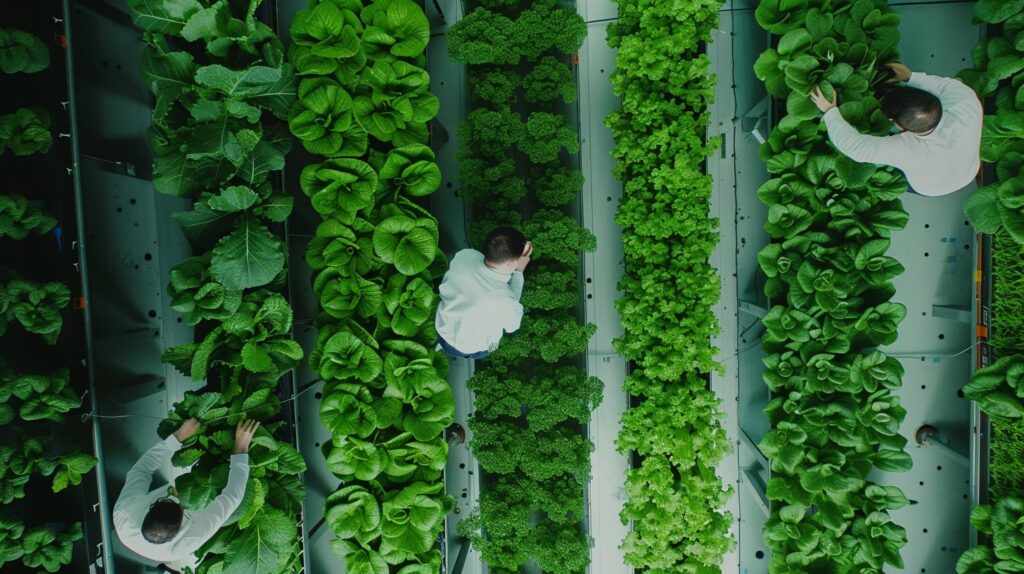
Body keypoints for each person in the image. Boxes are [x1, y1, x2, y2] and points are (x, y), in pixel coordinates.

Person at [809, 62, 982, 197]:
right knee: (957, 83)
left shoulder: (905, 150)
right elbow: (946, 85)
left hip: (933, 186)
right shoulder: (966, 102)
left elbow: (854, 147)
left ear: (898, 125)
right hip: (968, 170)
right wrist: (910, 76)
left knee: (894, 169)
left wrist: (830, 112)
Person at [113, 418, 258, 573]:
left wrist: (177, 437)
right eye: (179, 501)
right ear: (184, 512)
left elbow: (141, 470)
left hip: (132, 529)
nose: (176, 494)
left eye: (169, 497)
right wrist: (241, 449)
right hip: (164, 545)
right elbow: (232, 497)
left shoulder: (125, 511)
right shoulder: (191, 539)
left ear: (152, 505)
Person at [434, 227, 533, 359]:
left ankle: (441, 345)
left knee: (446, 342)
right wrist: (519, 271)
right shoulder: (505, 301)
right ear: (510, 264)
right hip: (471, 349)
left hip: (443, 329)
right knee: (483, 349)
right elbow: (512, 326)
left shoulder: (465, 255)